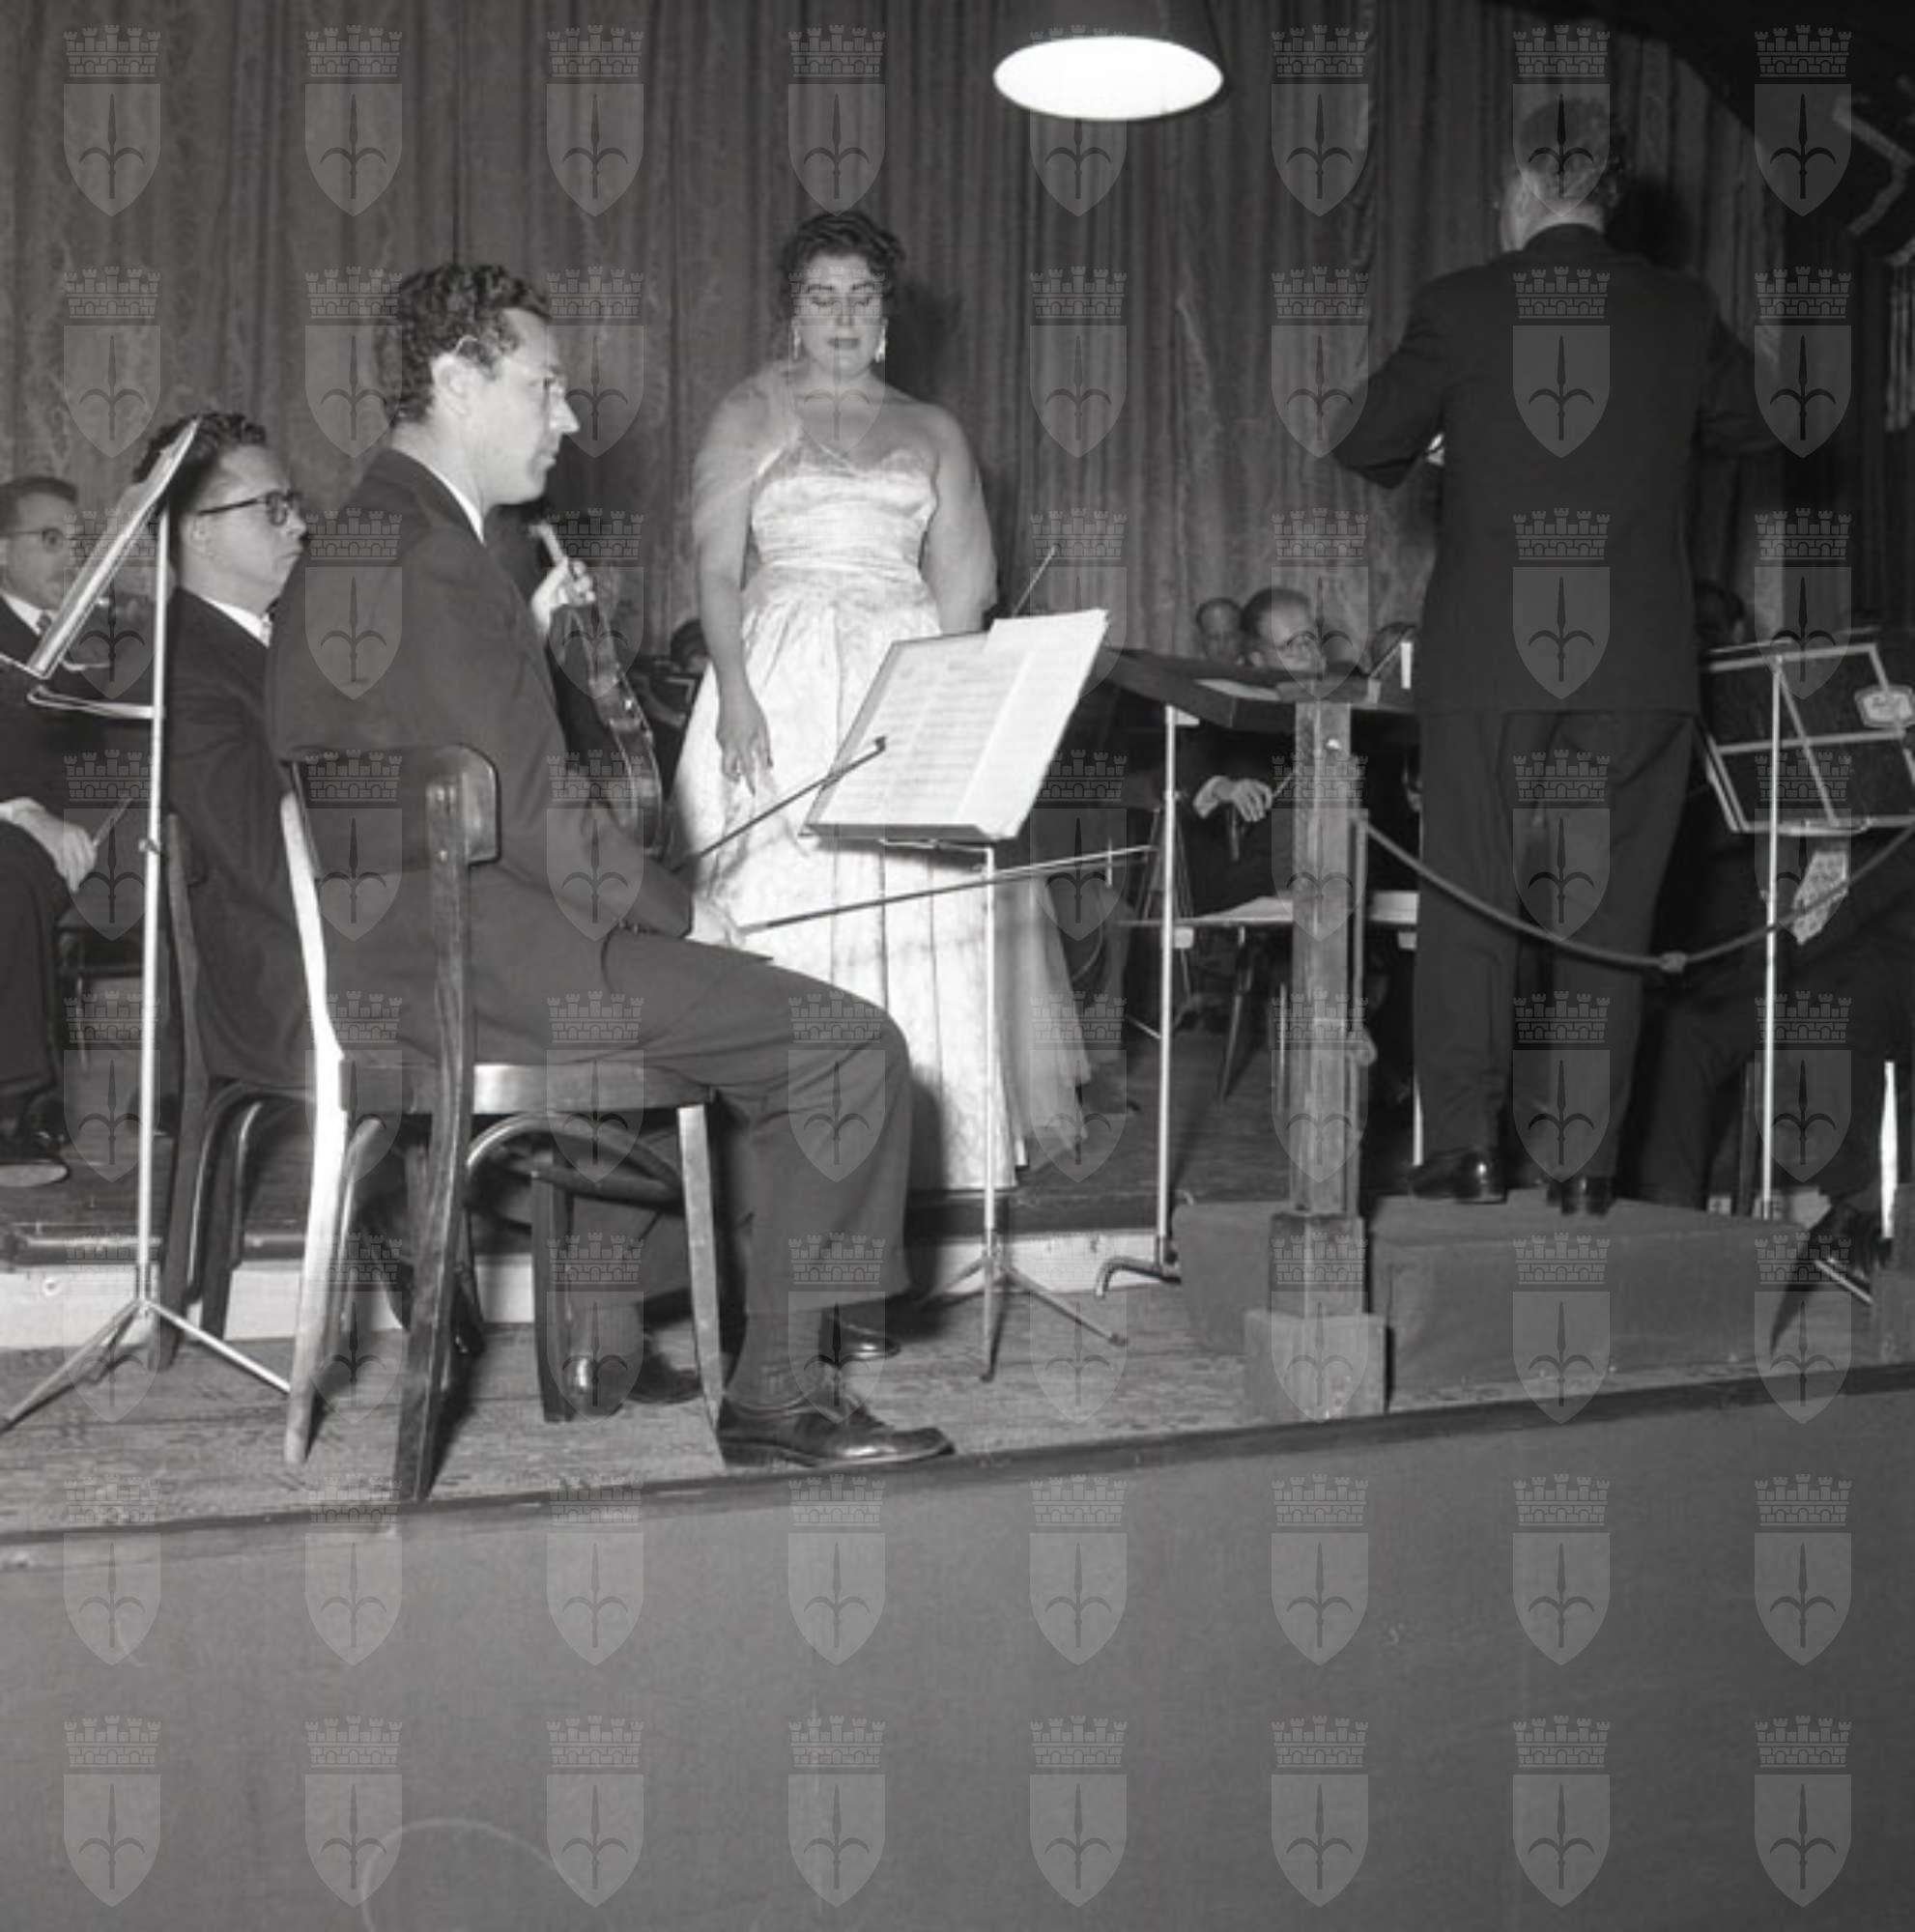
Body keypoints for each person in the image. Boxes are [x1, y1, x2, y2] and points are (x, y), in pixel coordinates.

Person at [268, 262, 950, 1469]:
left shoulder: (359, 540)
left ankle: (616, 1338)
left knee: (732, 1031)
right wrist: (682, 913)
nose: (568, 417)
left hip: (407, 964)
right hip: (494, 974)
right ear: (457, 378)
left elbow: (464, 777)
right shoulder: (439, 559)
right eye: (544, 387)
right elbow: (535, 808)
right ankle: (782, 1393)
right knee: (845, 1045)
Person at [1333, 106, 1771, 1214]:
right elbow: (1762, 423)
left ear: (1521, 192)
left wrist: (1459, 431)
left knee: (1471, 898)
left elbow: (1364, 439)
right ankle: (1582, 1166)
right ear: (1606, 198)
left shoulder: (1461, 305)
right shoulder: (1679, 308)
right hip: (1637, 669)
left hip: (1491, 659)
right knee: (1607, 920)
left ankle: (1467, 1149)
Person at [672, 210, 1084, 1190]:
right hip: (779, 678)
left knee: (907, 896)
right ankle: (764, 1158)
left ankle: (919, 1152)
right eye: (822, 298)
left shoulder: (933, 430)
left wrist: (951, 720)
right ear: (792, 311)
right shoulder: (747, 413)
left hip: (900, 675)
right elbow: (717, 571)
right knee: (779, 889)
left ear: (886, 312)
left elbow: (962, 595)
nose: (843, 317)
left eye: (861, 297)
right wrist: (736, 694)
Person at [130, 413, 309, 1090]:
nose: (299, 526)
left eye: (294, 504)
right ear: (199, 531)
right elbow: (267, 867)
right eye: (273, 508)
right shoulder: (182, 669)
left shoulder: (285, 643)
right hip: (282, 990)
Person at [0, 474, 95, 1185]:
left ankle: (198, 1092)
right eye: (51, 539)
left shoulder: (107, 629)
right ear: (3, 551)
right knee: (10, 880)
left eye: (79, 541)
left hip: (106, 824)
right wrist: (25, 811)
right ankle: (18, 1106)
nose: (72, 557)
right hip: (19, 828)